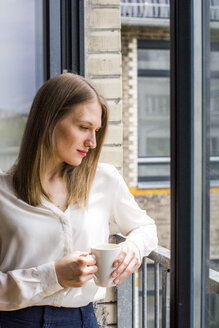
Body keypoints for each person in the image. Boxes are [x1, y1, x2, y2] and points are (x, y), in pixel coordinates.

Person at [0, 73, 158, 328]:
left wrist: (134, 248)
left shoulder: (105, 179)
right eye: (84, 127)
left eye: (96, 131)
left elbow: (146, 227)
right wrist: (52, 276)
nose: (92, 142)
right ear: (49, 121)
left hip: (82, 319)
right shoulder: (3, 193)